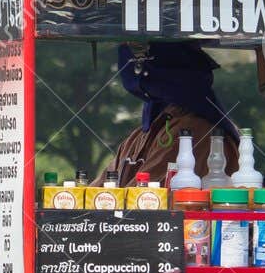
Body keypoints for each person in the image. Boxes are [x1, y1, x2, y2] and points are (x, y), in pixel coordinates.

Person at [98, 43, 240, 185]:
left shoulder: (194, 132)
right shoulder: (140, 136)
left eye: (141, 56)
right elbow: (97, 193)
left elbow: (144, 199)